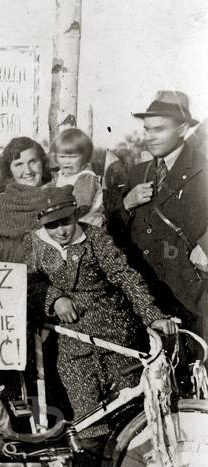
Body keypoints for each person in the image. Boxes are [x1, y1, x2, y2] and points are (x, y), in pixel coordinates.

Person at [28, 186, 176, 438]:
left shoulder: (96, 239)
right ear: (42, 224)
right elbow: (31, 282)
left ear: (75, 215)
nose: (61, 231)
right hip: (74, 345)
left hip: (116, 338)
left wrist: (153, 316)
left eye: (66, 221)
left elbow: (125, 277)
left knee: (129, 415)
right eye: (52, 225)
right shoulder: (35, 245)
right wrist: (55, 298)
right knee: (88, 419)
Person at [109, 90, 208, 338]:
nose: (150, 138)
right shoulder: (137, 172)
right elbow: (114, 230)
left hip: (187, 291)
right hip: (144, 292)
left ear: (183, 129)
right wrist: (126, 204)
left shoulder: (203, 168)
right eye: (147, 130)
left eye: (159, 129)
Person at [0, 136, 52, 264]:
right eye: (19, 164)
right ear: (9, 170)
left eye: (33, 162)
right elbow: (0, 254)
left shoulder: (56, 197)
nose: (27, 171)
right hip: (16, 278)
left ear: (42, 164)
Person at [51, 128, 104, 228]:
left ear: (85, 158)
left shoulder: (85, 177)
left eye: (73, 157)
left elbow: (83, 206)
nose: (67, 162)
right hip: (69, 224)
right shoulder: (60, 175)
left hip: (88, 225)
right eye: (62, 157)